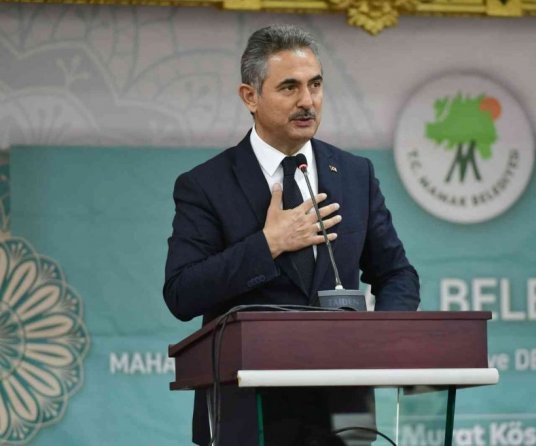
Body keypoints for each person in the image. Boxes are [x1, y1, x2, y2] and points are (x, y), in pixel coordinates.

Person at [163, 24, 420, 446]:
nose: (307, 101)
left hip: (344, 416)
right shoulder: (206, 185)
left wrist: (379, 340)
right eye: (289, 87)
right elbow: (181, 293)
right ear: (250, 96)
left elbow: (397, 274)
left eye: (315, 85)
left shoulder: (355, 174)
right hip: (246, 417)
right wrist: (268, 245)